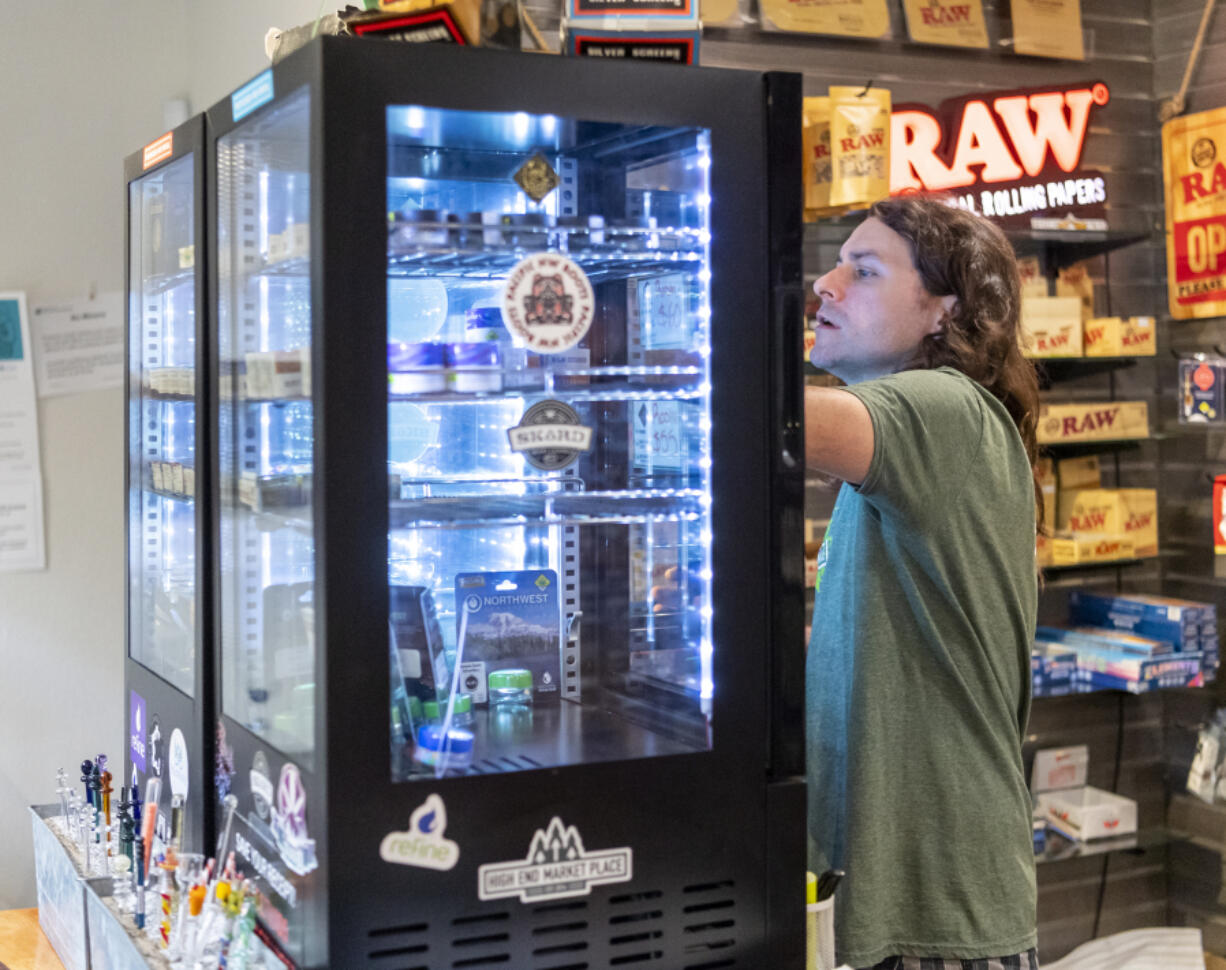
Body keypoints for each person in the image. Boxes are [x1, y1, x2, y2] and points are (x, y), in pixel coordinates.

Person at [804, 195, 1041, 970]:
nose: (825, 284)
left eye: (862, 270)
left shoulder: (944, 408)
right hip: (909, 904)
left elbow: (770, 422)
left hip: (940, 914)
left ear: (945, 309)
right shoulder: (910, 442)